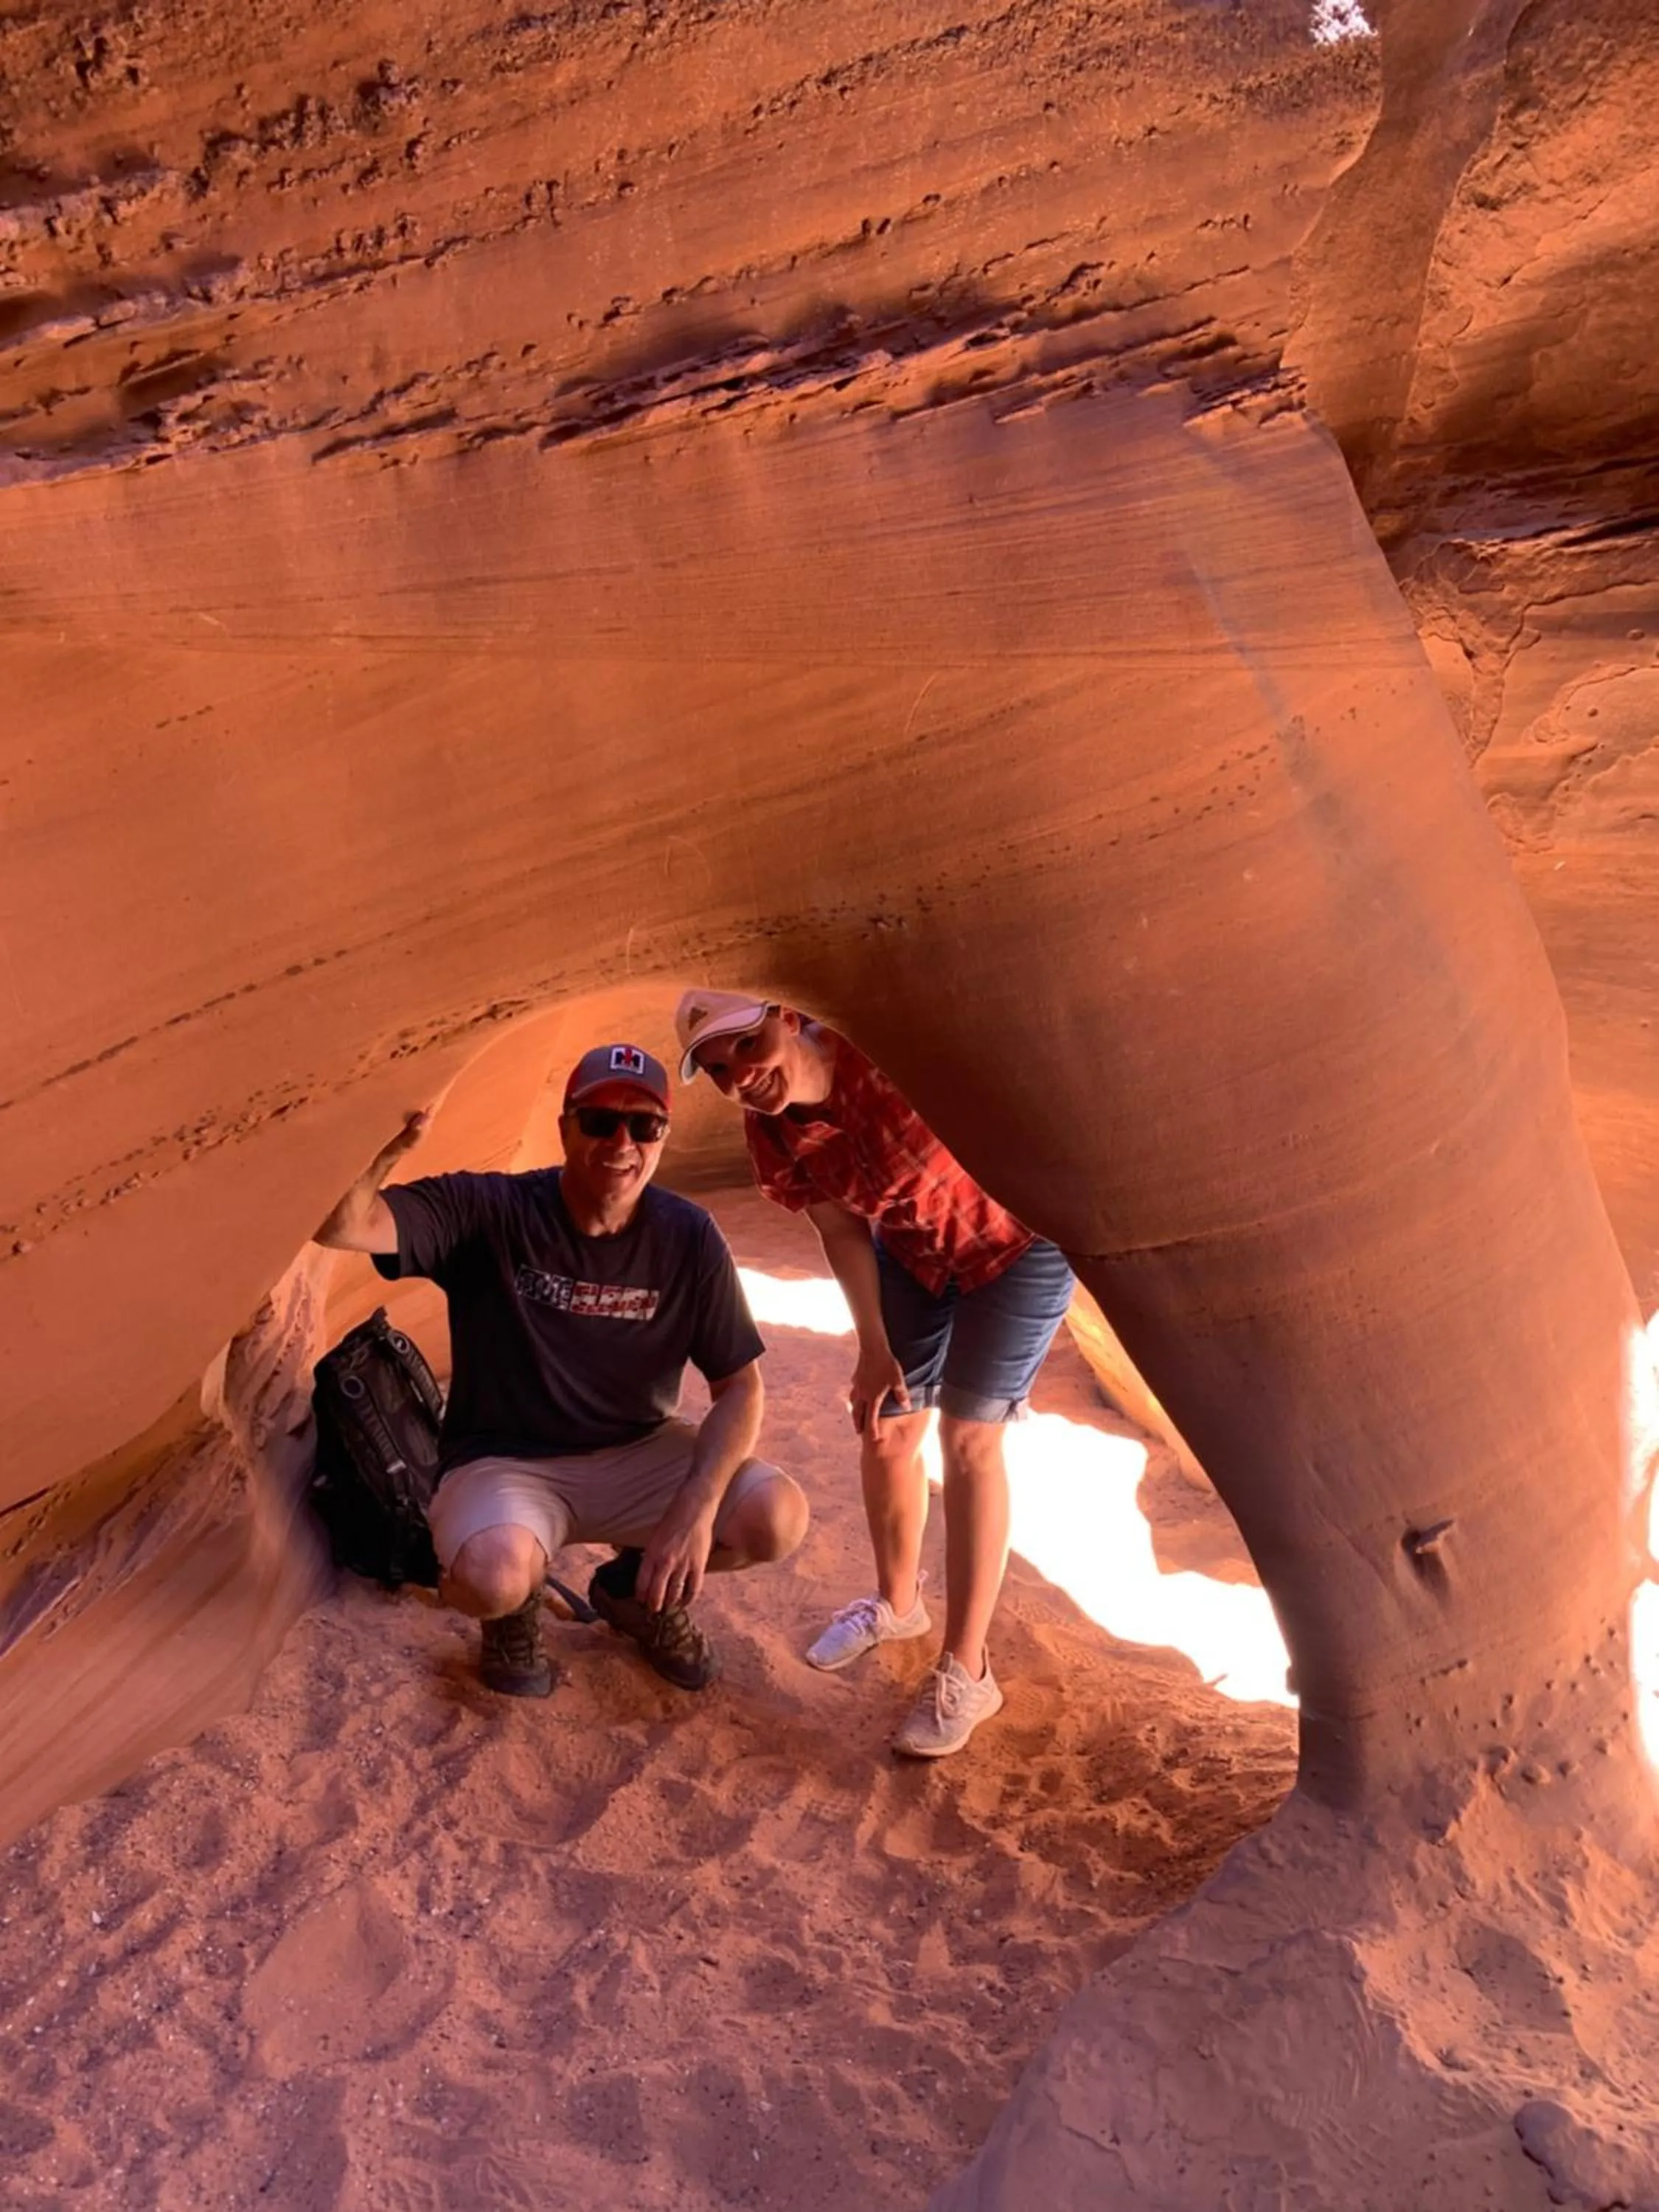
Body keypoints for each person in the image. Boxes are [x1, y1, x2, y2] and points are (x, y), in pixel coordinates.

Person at [313, 1042, 808, 1700]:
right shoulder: (491, 1210)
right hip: (506, 1461)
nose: (622, 1142)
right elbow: (344, 1225)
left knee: (775, 1518)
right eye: (600, 1121)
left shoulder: (687, 1237)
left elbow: (740, 1387)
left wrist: (696, 1507)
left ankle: (631, 1592)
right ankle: (515, 1610)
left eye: (645, 1124)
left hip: (637, 1450)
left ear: (663, 1136)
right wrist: (383, 1150)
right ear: (566, 1127)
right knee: (493, 1576)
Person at [675, 994, 1074, 1758]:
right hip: (916, 1256)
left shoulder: (888, 1056)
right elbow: (839, 1228)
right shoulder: (772, 1130)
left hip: (1014, 1246)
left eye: (749, 1045)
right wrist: (871, 1348)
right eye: (720, 1069)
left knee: (968, 1441)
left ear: (789, 1016)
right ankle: (898, 1606)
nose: (741, 1078)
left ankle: (969, 1668)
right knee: (887, 1425)